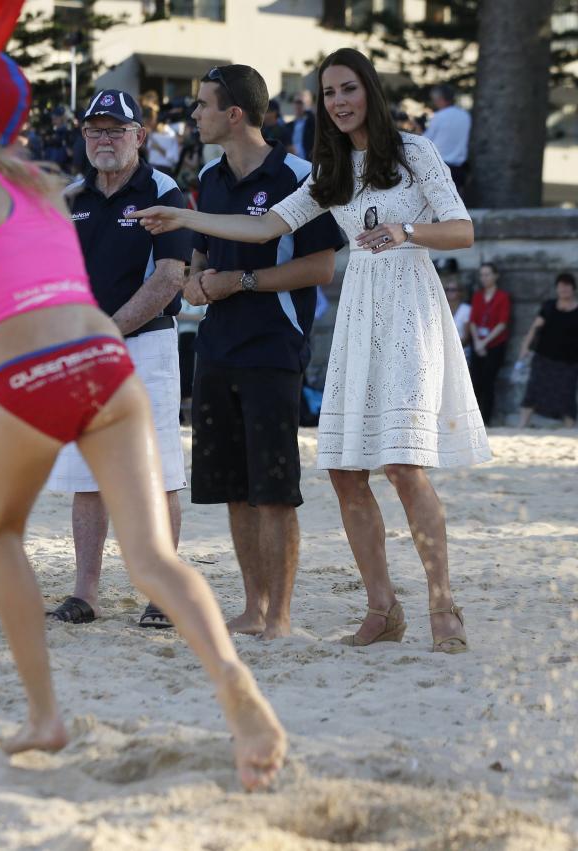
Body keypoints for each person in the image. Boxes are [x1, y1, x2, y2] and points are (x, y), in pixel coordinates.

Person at [0, 54, 286, 786]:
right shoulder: (44, 184)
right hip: (106, 360)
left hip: (45, 373)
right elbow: (45, 293)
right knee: (153, 558)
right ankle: (240, 697)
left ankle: (45, 715)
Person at [132, 48, 491, 654]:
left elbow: (462, 231)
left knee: (404, 467)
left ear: (369, 92)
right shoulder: (328, 170)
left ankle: (443, 606)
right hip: (357, 312)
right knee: (347, 473)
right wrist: (181, 216)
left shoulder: (414, 152)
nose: (339, 102)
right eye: (328, 93)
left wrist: (407, 231)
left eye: (348, 89)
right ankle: (383, 609)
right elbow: (265, 227)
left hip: (410, 306)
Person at [176, 65, 342, 640]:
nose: (194, 115)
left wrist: (239, 281)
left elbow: (321, 267)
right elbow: (200, 250)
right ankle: (253, 608)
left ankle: (282, 617)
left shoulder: (299, 175)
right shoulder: (211, 176)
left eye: (202, 105)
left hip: (273, 347)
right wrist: (197, 280)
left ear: (235, 113)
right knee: (234, 489)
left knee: (273, 490)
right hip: (216, 347)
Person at [45, 88, 189, 629]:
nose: (104, 139)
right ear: (83, 137)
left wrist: (108, 329)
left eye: (115, 130)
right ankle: (86, 592)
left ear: (139, 136)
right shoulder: (71, 197)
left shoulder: (163, 190)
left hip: (145, 345)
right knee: (87, 473)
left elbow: (170, 276)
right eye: (95, 130)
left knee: (160, 472)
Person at [517, 272, 578, 427]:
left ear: (573, 288)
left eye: (567, 286)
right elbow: (534, 328)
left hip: (569, 362)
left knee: (567, 396)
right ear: (556, 288)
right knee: (533, 391)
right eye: (560, 286)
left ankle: (568, 429)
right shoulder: (549, 306)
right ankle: (521, 426)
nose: (564, 289)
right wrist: (525, 347)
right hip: (543, 358)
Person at [469, 261, 511, 426]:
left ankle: (486, 420)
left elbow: (502, 323)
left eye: (487, 274)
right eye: (482, 275)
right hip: (478, 342)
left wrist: (484, 343)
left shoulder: (502, 297)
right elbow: (473, 321)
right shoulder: (477, 296)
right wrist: (478, 342)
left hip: (494, 344)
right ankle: (474, 420)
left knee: (489, 381)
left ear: (495, 276)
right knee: (476, 381)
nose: (484, 278)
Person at [424, 84, 471, 194]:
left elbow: (426, 140)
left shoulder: (439, 116)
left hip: (439, 167)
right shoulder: (465, 115)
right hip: (458, 167)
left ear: (440, 99)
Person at [438, 258, 471, 353]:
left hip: (461, 350)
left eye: (453, 290)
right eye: (447, 290)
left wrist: (452, 349)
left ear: (460, 292)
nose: (449, 293)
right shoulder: (441, 309)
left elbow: (466, 336)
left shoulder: (466, 309)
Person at [287, 92, 316, 161]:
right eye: (295, 102)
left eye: (300, 102)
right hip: (293, 164)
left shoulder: (314, 123)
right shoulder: (288, 126)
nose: (297, 105)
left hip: (310, 164)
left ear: (309, 104)